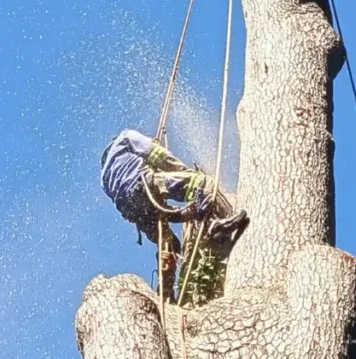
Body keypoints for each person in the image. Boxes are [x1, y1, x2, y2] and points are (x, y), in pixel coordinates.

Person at [100, 129, 249, 301]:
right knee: (203, 184)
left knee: (170, 247)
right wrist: (187, 172)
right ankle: (219, 222)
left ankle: (165, 294)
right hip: (144, 186)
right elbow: (158, 155)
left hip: (136, 213)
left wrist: (189, 212)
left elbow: (163, 212)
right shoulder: (125, 137)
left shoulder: (104, 178)